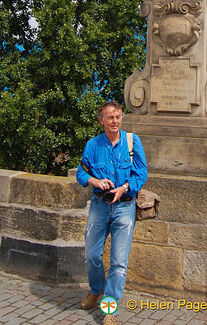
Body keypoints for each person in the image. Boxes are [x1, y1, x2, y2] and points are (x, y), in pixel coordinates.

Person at [76, 100, 148, 325]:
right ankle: (96, 289)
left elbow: (141, 172)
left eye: (118, 117)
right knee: (91, 255)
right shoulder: (92, 145)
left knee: (119, 262)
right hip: (99, 205)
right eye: (110, 118)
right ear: (102, 121)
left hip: (124, 206)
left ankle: (109, 308)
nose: (115, 121)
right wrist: (95, 181)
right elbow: (81, 172)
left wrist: (125, 188)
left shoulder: (132, 142)